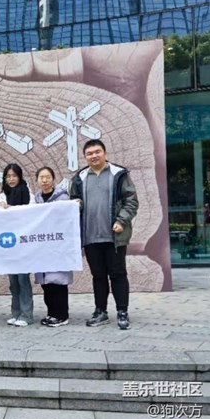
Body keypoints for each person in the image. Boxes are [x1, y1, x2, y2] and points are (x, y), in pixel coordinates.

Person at [70, 139, 139, 330]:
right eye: (89, 153)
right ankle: (100, 311)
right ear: (85, 157)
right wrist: (77, 204)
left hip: (114, 236)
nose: (94, 156)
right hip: (90, 236)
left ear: (105, 153)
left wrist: (121, 221)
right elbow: (74, 201)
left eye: (97, 152)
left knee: (118, 274)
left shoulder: (119, 174)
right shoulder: (80, 177)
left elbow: (131, 200)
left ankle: (122, 311)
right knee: (98, 276)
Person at [33, 167, 72, 327]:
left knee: (58, 282)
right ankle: (51, 313)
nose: (44, 180)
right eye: (41, 177)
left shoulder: (63, 198)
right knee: (46, 283)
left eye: (48, 177)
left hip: (58, 246)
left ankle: (62, 315)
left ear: (53, 179)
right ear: (37, 180)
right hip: (42, 247)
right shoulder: (35, 199)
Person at [0, 163, 33, 327]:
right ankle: (16, 313)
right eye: (8, 176)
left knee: (23, 279)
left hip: (23, 243)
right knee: (13, 281)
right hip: (8, 244)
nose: (11, 179)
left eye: (14, 176)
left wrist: (14, 209)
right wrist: (1, 208)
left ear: (20, 177)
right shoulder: (1, 196)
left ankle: (27, 315)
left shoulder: (27, 194)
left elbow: (32, 213)